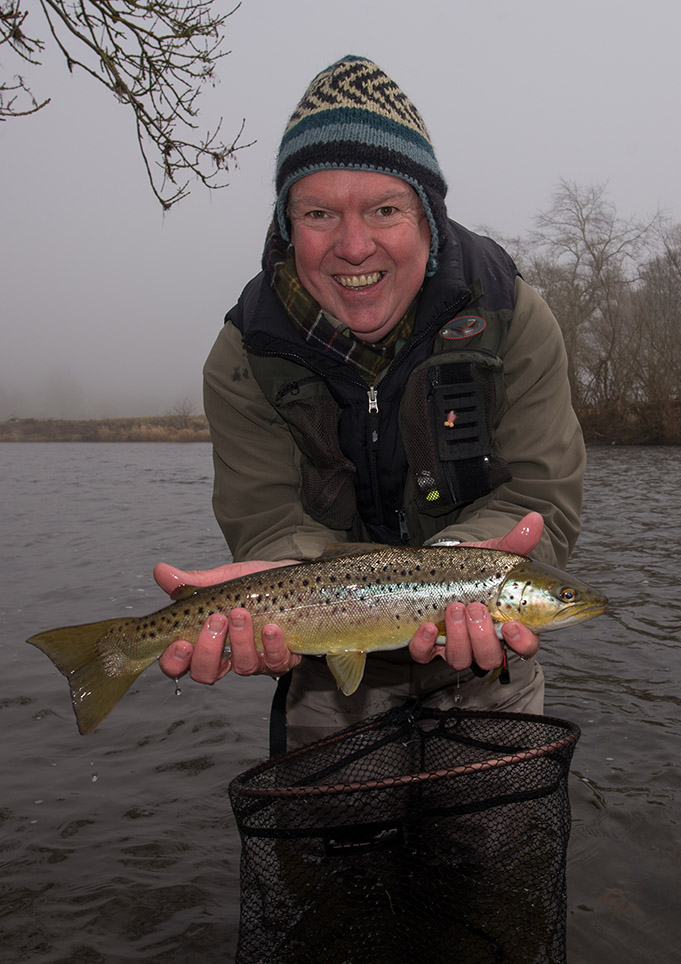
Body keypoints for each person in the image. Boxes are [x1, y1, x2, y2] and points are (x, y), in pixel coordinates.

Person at [158, 55, 585, 753]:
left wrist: (456, 568)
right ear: (286, 224)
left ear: (428, 216)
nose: (354, 246)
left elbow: (543, 495)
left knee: (498, 849)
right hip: (323, 659)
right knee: (335, 853)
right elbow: (264, 517)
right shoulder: (245, 353)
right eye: (320, 213)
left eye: (384, 209)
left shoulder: (512, 318)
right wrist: (273, 588)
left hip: (486, 650)